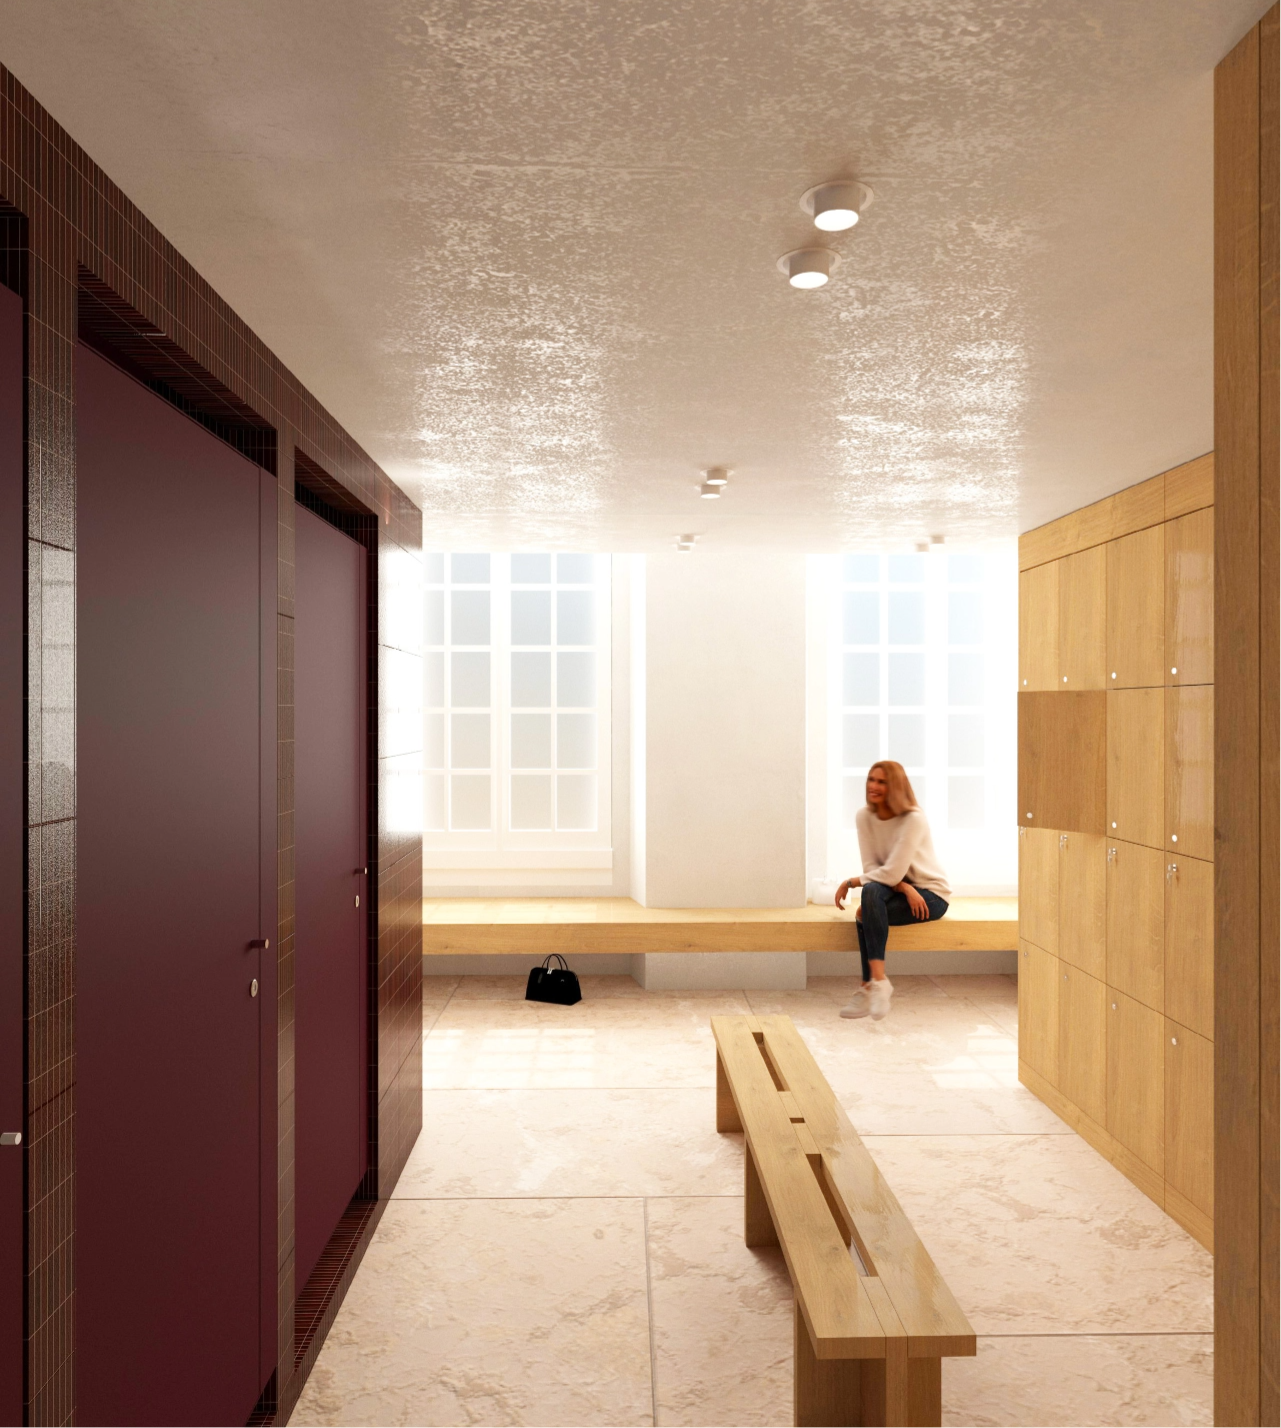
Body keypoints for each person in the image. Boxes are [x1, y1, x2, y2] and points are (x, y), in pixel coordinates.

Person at [833, 760, 951, 1021]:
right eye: (871, 780)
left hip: (931, 894)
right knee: (871, 894)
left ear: (895, 786)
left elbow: (891, 872)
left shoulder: (913, 819)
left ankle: (868, 987)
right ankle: (878, 983)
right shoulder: (864, 816)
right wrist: (904, 887)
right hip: (898, 889)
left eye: (882, 782)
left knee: (865, 911)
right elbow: (874, 868)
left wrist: (851, 881)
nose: (873, 786)